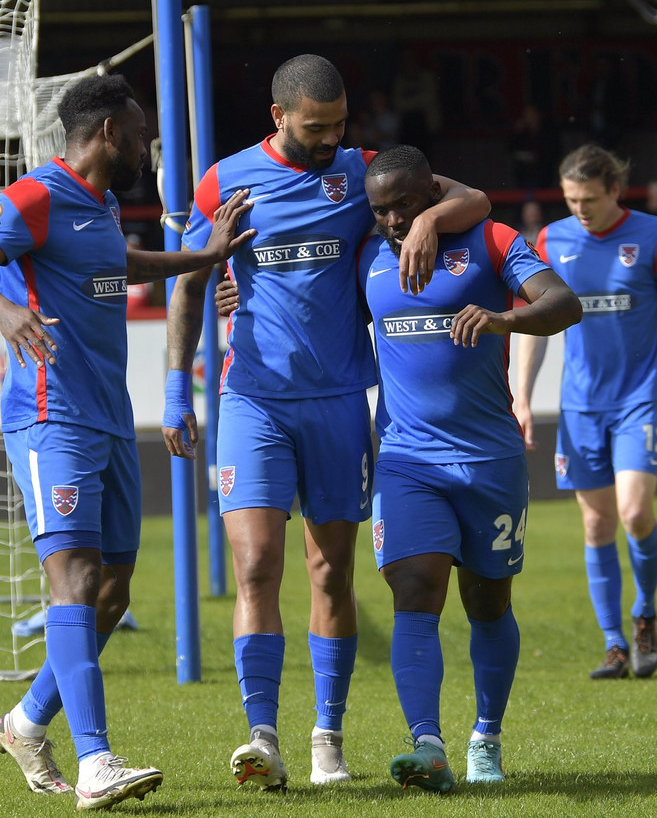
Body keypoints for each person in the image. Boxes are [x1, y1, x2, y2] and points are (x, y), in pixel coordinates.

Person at [161, 54, 489, 792]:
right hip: (252, 398)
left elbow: (474, 197)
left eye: (340, 124)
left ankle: (327, 737)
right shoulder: (224, 181)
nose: (332, 138)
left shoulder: (358, 171)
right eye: (317, 128)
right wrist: (176, 387)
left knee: (332, 571)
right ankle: (262, 735)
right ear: (278, 119)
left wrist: (431, 218)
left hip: (341, 401)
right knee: (255, 564)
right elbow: (190, 281)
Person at [0, 73, 251, 810]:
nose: (147, 145)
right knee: (73, 579)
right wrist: (8, 313)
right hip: (52, 418)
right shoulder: (33, 196)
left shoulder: (104, 204)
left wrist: (204, 259)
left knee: (111, 594)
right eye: (141, 132)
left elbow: (124, 265)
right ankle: (96, 761)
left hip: (111, 417)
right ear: (109, 132)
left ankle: (23, 722)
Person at [356, 146, 581, 792]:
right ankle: (426, 743)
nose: (395, 219)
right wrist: (237, 293)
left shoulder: (492, 238)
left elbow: (564, 304)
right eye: (381, 209)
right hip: (406, 458)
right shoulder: (364, 257)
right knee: (415, 589)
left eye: (406, 204)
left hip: (490, 459)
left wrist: (503, 317)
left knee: (487, 600)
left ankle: (487, 735)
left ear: (434, 190)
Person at [515, 143, 657, 681]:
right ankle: (615, 644)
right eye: (571, 199)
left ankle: (644, 613)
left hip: (638, 400)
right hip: (579, 407)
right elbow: (536, 321)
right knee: (596, 522)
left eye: (590, 199)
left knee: (635, 512)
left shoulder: (653, 235)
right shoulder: (552, 239)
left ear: (616, 191)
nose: (580, 208)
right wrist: (522, 395)